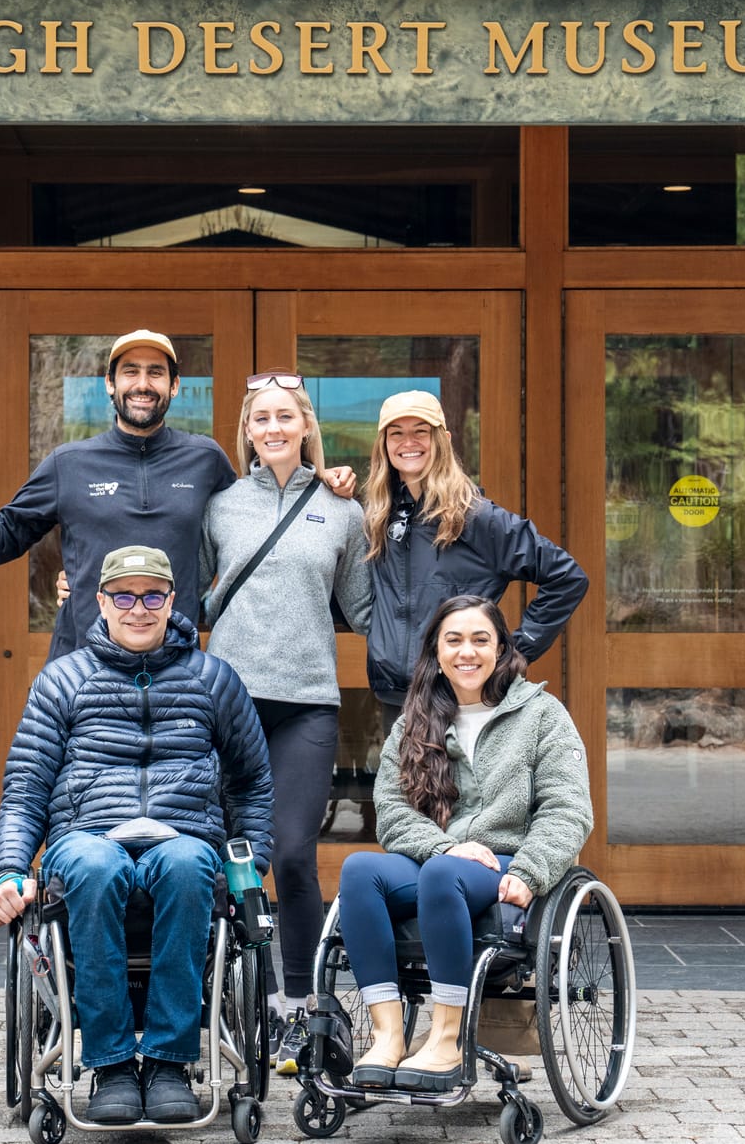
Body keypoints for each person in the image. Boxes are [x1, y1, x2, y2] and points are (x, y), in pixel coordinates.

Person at [0, 545, 273, 1126]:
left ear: (171, 601)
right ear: (102, 602)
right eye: (124, 596)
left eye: (151, 596)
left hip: (183, 838)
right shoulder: (62, 681)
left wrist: (252, 863)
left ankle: (168, 1063)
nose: (138, 609)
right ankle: (112, 1065)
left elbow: (252, 781)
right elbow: (25, 790)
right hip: (87, 836)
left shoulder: (213, 679)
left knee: (192, 865)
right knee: (92, 867)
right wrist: (9, 872)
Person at [0, 330, 354, 661]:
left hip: (175, 665)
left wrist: (321, 484)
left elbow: (260, 518)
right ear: (110, 384)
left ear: (174, 385)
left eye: (155, 373)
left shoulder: (205, 460)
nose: (142, 383)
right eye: (130, 371)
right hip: (84, 664)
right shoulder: (69, 463)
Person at [336, 594, 594, 1092]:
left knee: (440, 874)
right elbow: (391, 811)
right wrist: (442, 846)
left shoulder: (541, 715)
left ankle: (446, 1037)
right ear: (437, 649)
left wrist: (531, 869)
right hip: (440, 860)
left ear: (501, 649)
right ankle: (389, 1035)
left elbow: (568, 808)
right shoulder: (415, 720)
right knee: (359, 871)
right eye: (453, 640)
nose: (466, 652)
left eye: (480, 639)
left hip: (504, 863)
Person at [198, 370, 372, 1076]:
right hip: (227, 704)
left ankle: (297, 1008)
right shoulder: (219, 507)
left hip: (306, 704)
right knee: (232, 862)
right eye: (260, 417)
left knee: (294, 855)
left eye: (285, 416)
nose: (272, 427)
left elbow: (365, 608)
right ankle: (232, 1002)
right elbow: (191, 597)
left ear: (305, 425)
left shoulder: (343, 509)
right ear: (247, 429)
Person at [363, 389, 588, 727]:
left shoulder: (475, 516)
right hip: (396, 698)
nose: (408, 442)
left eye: (420, 431)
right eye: (397, 433)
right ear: (383, 445)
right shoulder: (381, 516)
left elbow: (567, 577)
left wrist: (510, 652)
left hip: (459, 698)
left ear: (443, 439)